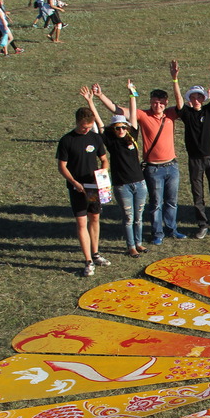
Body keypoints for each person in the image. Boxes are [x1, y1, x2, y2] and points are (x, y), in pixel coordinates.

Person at [86, 81, 148, 257]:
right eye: (118, 128)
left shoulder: (133, 135)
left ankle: (139, 243)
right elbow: (98, 120)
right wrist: (91, 101)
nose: (121, 130)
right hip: (122, 185)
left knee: (139, 217)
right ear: (113, 129)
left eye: (123, 127)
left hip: (140, 182)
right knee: (128, 218)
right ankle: (131, 246)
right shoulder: (110, 141)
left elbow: (133, 113)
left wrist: (131, 92)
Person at [173, 59, 210, 239]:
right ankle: (202, 224)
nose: (196, 99)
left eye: (199, 96)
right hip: (194, 158)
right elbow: (178, 101)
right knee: (198, 192)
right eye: (193, 97)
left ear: (204, 98)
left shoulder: (209, 111)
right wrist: (175, 79)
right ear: (190, 99)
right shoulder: (186, 113)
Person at [132, 62, 184, 244]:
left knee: (171, 202)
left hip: (172, 165)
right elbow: (119, 111)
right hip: (153, 169)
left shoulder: (170, 114)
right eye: (154, 102)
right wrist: (99, 97)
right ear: (150, 102)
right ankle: (157, 234)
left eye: (161, 103)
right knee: (155, 204)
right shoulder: (143, 115)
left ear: (165, 103)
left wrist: (175, 79)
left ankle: (172, 230)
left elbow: (181, 104)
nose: (158, 106)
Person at [56, 105, 110, 276]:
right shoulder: (67, 140)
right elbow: (62, 166)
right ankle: (88, 261)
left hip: (93, 188)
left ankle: (96, 254)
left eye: (89, 127)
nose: (86, 129)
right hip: (77, 188)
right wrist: (74, 182)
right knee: (81, 222)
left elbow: (104, 159)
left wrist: (104, 171)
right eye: (83, 127)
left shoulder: (95, 138)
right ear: (77, 122)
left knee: (94, 217)